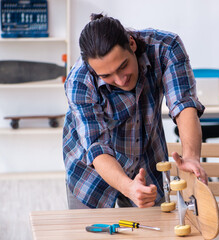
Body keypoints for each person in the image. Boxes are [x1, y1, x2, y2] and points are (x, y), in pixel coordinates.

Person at [62, 13, 207, 209]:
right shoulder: (79, 80)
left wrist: (190, 157)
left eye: (123, 66)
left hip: (146, 162)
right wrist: (128, 188)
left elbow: (183, 104)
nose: (121, 80)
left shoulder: (166, 48)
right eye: (107, 75)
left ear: (131, 44)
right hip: (91, 174)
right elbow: (96, 145)